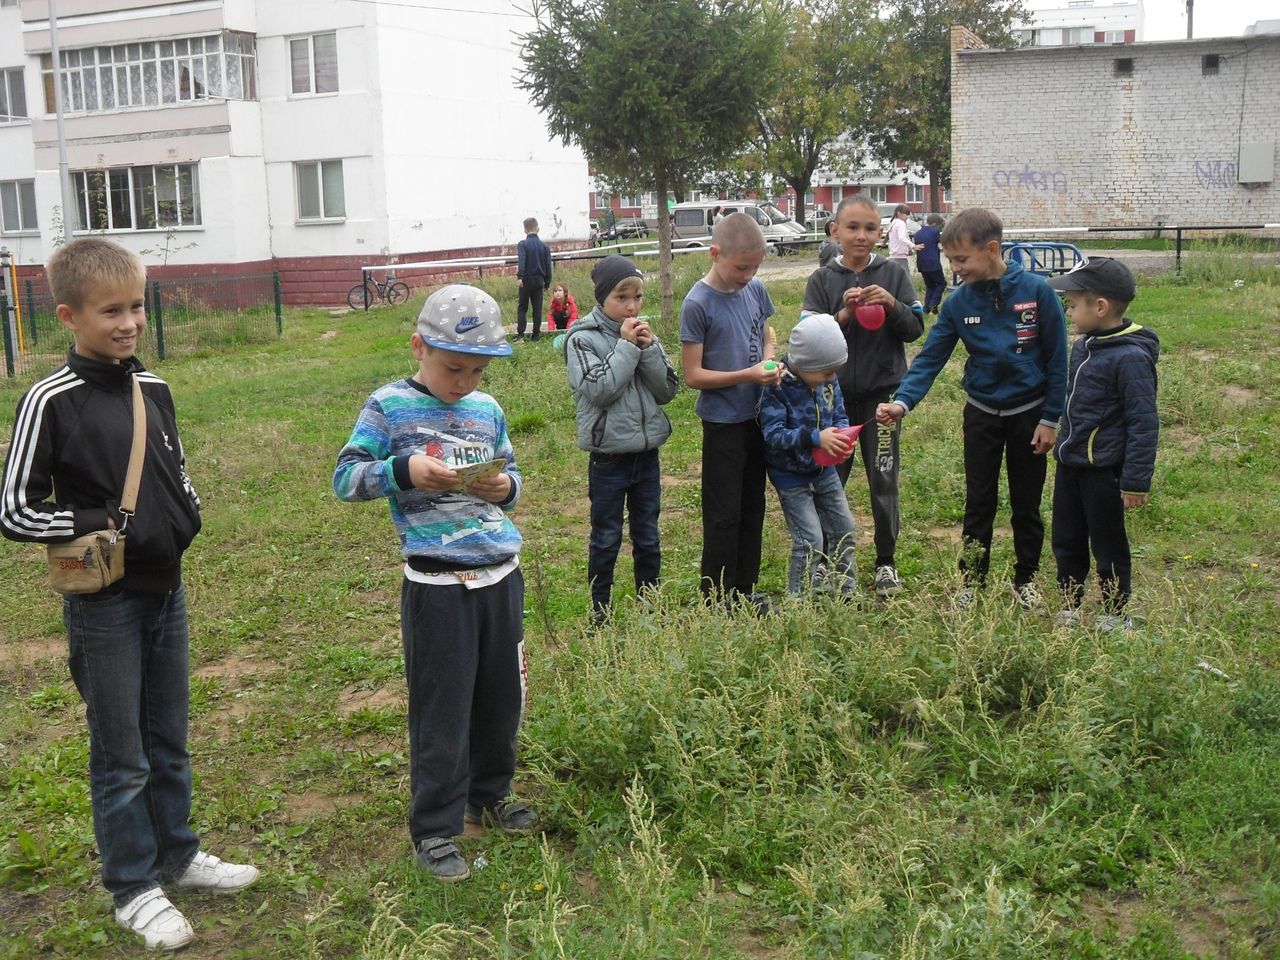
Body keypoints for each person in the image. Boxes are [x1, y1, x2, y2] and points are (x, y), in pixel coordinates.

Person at [0, 237, 258, 952]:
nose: (129, 323)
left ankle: (177, 855)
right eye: (110, 310)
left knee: (169, 740)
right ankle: (132, 886)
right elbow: (15, 510)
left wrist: (189, 515)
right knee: (121, 754)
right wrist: (94, 523)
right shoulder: (50, 400)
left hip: (165, 593)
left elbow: (175, 469)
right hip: (103, 604)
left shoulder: (155, 390)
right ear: (68, 316)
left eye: (137, 306)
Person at [333, 284, 536, 883]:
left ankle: (490, 794)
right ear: (418, 347)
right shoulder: (388, 407)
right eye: (453, 367)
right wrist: (404, 470)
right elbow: (346, 478)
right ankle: (436, 828)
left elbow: (512, 470)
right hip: (438, 586)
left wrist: (507, 489)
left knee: (502, 699)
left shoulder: (487, 410)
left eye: (477, 370)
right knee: (443, 708)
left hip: (501, 574)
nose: (465, 381)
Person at [876, 207, 1068, 609]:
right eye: (950, 260)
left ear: (992, 249)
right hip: (981, 412)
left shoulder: (1037, 292)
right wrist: (902, 402)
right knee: (978, 500)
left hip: (1029, 415)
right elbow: (930, 357)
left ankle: (1026, 580)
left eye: (961, 259)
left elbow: (1057, 361)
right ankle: (971, 583)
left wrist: (1050, 419)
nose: (955, 268)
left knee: (1026, 503)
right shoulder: (957, 302)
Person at [801, 194, 924, 597]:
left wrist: (890, 305)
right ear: (834, 231)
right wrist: (843, 316)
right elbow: (807, 339)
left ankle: (886, 562)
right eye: (852, 227)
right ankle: (824, 563)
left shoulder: (893, 274)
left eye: (870, 228)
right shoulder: (822, 280)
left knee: (883, 479)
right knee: (827, 480)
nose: (861, 236)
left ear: (882, 233)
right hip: (832, 402)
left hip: (882, 401)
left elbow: (915, 329)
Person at [1046, 257, 1159, 631]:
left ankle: (1113, 612)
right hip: (1070, 463)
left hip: (1104, 471)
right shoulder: (1085, 345)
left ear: (1100, 307)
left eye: (1073, 303)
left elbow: (1143, 422)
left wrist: (1135, 480)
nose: (1068, 309)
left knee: (1108, 544)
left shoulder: (1131, 357)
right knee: (1066, 537)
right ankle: (1070, 605)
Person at [565, 256, 679, 623]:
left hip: (646, 456)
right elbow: (599, 389)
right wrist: (627, 348)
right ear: (602, 298)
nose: (631, 306)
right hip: (609, 458)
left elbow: (666, 390)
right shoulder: (582, 339)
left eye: (638, 297)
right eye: (621, 297)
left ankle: (652, 604)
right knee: (606, 535)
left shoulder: (644, 336)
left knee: (648, 533)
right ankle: (600, 610)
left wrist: (647, 350)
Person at [679, 212, 782, 612]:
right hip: (723, 424)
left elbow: (766, 335)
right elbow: (693, 375)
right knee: (723, 514)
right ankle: (717, 597)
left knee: (753, 507)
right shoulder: (697, 303)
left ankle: (746, 588)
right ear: (715, 253)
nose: (748, 275)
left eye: (755, 267)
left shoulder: (755, 289)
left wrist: (770, 363)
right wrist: (748, 375)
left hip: (759, 417)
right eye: (741, 267)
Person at [759, 314, 859, 597]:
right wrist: (815, 437)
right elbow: (773, 434)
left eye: (834, 372)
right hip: (791, 477)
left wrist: (841, 435)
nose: (831, 379)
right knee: (810, 539)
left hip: (824, 471)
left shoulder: (827, 380)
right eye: (826, 373)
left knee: (844, 528)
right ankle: (799, 599)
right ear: (803, 364)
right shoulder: (776, 385)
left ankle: (844, 590)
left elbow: (839, 413)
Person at [516, 216, 553, 341]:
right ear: (538, 228)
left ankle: (521, 334)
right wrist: (547, 282)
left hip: (526, 280)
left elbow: (522, 261)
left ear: (525, 230)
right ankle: (536, 335)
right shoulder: (544, 246)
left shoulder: (522, 245)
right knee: (537, 309)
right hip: (539, 281)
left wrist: (520, 277)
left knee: (523, 307)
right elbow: (548, 265)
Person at [915, 213, 947, 314]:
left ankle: (926, 308)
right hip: (933, 263)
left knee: (930, 286)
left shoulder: (918, 233)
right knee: (942, 283)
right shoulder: (936, 231)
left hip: (921, 264)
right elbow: (942, 242)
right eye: (939, 225)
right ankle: (934, 303)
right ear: (934, 223)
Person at [886, 203, 923, 282]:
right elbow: (902, 237)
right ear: (899, 213)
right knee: (906, 282)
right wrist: (913, 246)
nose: (907, 217)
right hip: (900, 257)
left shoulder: (893, 223)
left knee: (895, 281)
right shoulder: (900, 223)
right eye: (906, 214)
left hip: (893, 256)